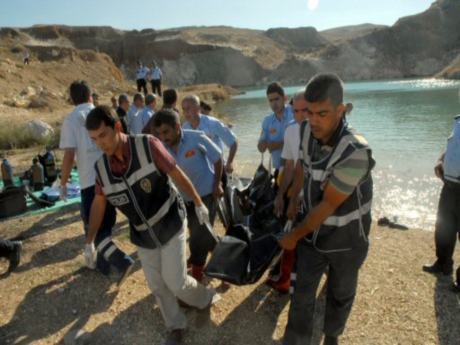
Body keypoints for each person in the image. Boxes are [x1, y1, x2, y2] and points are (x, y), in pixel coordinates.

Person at [85, 105, 216, 345]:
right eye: (94, 139)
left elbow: (176, 173)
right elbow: (99, 202)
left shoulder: (148, 145)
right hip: (142, 233)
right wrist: (90, 240)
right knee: (157, 284)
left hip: (170, 220)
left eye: (103, 135)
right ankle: (175, 325)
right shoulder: (101, 169)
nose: (100, 143)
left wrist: (198, 203)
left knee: (175, 280)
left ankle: (204, 298)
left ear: (116, 127)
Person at [279, 73, 374, 345]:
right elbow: (302, 168)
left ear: (342, 110)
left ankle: (332, 336)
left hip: (347, 240)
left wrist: (294, 236)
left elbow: (329, 203)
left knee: (340, 293)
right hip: (313, 235)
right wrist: (294, 199)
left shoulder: (354, 151)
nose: (314, 120)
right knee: (301, 294)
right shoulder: (307, 130)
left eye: (323, 113)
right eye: (309, 112)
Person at [59, 80, 134, 281]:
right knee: (106, 223)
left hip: (90, 182)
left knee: (92, 226)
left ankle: (121, 261)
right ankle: (103, 263)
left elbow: (68, 155)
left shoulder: (71, 119)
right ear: (91, 96)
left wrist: (63, 182)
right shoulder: (103, 113)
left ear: (72, 99)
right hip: (112, 177)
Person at [148, 109, 223, 282]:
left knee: (199, 234)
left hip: (206, 194)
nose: (163, 137)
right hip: (183, 198)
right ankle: (226, 258)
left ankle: (197, 274)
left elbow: (218, 158)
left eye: (166, 132)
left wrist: (217, 183)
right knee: (201, 233)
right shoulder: (161, 148)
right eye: (158, 133)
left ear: (177, 127)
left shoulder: (196, 138)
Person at [268, 92, 310, 294]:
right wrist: (281, 194)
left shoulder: (322, 130)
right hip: (299, 195)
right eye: (296, 111)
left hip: (319, 196)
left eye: (305, 110)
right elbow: (291, 165)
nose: (301, 115)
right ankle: (286, 280)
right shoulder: (291, 130)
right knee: (291, 237)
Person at [423, 114, 460, 293]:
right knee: (444, 227)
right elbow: (452, 147)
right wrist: (441, 160)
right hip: (450, 185)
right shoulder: (458, 121)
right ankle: (443, 264)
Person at [182, 95, 237, 175]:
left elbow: (233, 143)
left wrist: (230, 162)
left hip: (218, 170)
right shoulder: (184, 128)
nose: (186, 112)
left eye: (188, 108)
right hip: (199, 173)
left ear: (198, 109)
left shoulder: (213, 124)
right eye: (184, 109)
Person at [257, 82, 294, 180]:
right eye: (271, 100)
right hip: (278, 170)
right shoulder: (267, 121)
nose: (274, 103)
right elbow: (261, 148)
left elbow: (302, 141)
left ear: (284, 98)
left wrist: (278, 145)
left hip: (297, 169)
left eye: (277, 99)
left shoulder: (295, 113)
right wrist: (262, 144)